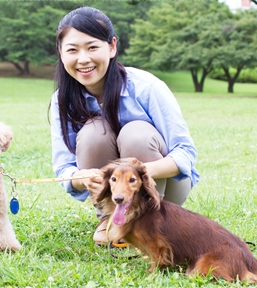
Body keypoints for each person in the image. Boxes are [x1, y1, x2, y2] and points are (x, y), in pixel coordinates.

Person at [49, 6, 200, 245]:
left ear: (111, 47)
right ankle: (109, 219)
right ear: (60, 52)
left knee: (135, 134)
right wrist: (83, 177)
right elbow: (64, 168)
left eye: (92, 47)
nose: (83, 59)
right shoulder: (62, 100)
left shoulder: (147, 87)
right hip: (113, 197)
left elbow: (185, 153)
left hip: (165, 189)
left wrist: (139, 173)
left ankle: (150, 222)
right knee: (93, 132)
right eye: (72, 50)